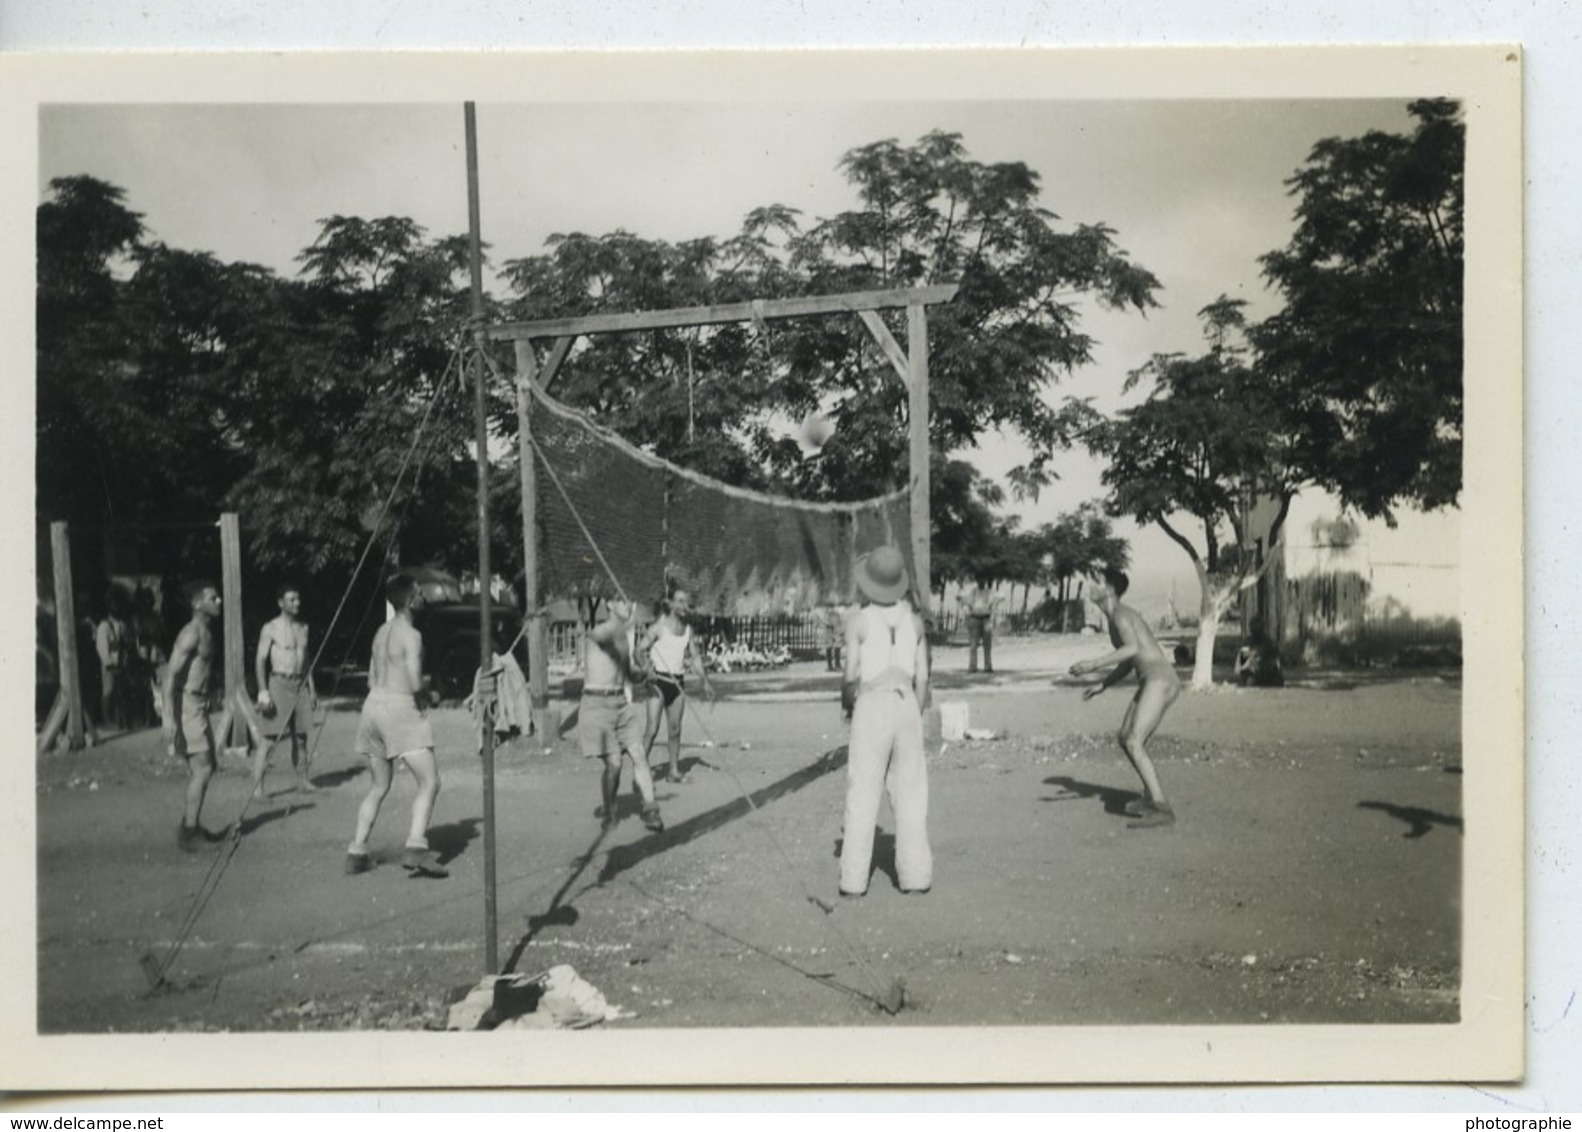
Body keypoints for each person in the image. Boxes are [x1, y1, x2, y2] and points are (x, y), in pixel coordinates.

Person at [838, 545, 932, 897]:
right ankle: (916, 876)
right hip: (906, 702)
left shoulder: (859, 621)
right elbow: (922, 678)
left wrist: (849, 706)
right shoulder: (915, 621)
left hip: (872, 702)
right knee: (911, 793)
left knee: (863, 790)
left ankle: (853, 880)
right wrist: (913, 712)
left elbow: (850, 676)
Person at [345, 573, 448, 878]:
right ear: (408, 600)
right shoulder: (412, 635)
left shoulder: (381, 631)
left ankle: (356, 852)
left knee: (378, 786)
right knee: (430, 782)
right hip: (399, 709)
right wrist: (431, 693)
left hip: (372, 707)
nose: (423, 597)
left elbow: (370, 678)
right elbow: (415, 681)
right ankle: (416, 848)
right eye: (418, 592)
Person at [1068, 567, 1181, 829]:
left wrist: (1094, 664)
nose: (1090, 585)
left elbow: (1132, 648)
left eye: (1096, 581)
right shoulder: (1115, 617)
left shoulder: (1119, 614)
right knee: (1125, 738)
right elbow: (1129, 661)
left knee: (1133, 741)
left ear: (1108, 590)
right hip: (1152, 680)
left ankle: (1162, 808)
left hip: (1160, 680)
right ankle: (1151, 798)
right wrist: (1103, 685)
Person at [581, 597, 663, 834]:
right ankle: (610, 811)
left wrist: (645, 675)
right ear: (608, 605)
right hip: (597, 705)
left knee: (639, 754)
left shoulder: (623, 640)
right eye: (621, 601)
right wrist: (627, 625)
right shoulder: (601, 633)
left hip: (621, 703)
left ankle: (651, 810)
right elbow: (602, 641)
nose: (628, 605)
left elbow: (627, 675)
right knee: (615, 763)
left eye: (630, 601)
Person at [162, 580, 224, 851]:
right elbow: (169, 675)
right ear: (197, 604)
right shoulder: (191, 633)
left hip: (199, 705)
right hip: (187, 706)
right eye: (213, 597)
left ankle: (192, 825)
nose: (219, 601)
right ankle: (188, 832)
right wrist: (168, 717)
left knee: (206, 766)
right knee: (203, 767)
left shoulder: (206, 631)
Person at [642, 587, 715, 784]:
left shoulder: (687, 630)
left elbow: (695, 657)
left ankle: (673, 772)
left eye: (686, 602)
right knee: (652, 729)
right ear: (671, 604)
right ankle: (640, 770)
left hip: (678, 683)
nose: (685, 606)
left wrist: (705, 682)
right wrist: (646, 668)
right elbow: (639, 650)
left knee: (675, 729)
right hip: (658, 682)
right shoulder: (658, 627)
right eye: (680, 601)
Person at [255, 583, 319, 792]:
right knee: (269, 739)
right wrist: (263, 691)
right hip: (278, 683)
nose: (296, 603)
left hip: (299, 684)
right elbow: (260, 661)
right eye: (291, 599)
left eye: (298, 599)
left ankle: (302, 780)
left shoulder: (303, 628)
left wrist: (312, 688)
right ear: (281, 603)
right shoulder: (270, 628)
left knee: (301, 737)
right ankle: (258, 788)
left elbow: (306, 660)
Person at [95, 591, 132, 730]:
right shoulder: (104, 626)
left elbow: (127, 642)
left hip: (122, 662)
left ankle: (120, 719)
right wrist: (109, 664)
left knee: (121, 691)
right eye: (114, 606)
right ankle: (106, 719)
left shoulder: (122, 624)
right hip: (110, 664)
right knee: (108, 691)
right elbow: (102, 647)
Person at [964, 580, 997, 674]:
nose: (981, 582)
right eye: (979, 579)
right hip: (975, 618)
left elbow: (992, 605)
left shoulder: (989, 592)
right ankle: (972, 666)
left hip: (986, 618)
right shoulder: (973, 592)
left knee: (987, 644)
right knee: (973, 644)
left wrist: (993, 618)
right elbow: (967, 604)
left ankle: (988, 666)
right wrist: (968, 616)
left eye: (982, 579)